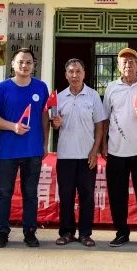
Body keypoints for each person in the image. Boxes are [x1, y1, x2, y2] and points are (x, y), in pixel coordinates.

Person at [0, 48, 49, 248]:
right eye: (20, 62)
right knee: (4, 193)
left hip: (33, 150)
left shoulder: (41, 87)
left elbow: (44, 116)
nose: (24, 65)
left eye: (29, 62)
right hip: (8, 150)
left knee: (30, 193)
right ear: (12, 64)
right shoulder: (2, 88)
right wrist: (12, 126)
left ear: (34, 65)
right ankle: (2, 233)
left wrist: (45, 143)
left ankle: (30, 232)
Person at [101, 47, 137, 249]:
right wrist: (103, 145)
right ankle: (121, 232)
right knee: (117, 195)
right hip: (116, 150)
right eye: (124, 62)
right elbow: (105, 119)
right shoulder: (111, 88)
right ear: (118, 66)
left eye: (132, 61)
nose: (128, 65)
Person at [53, 58, 106, 247]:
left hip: (87, 156)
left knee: (87, 196)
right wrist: (55, 123)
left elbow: (99, 126)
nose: (74, 75)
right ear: (66, 75)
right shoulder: (58, 97)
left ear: (84, 74)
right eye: (71, 72)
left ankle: (85, 234)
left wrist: (95, 151)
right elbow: (54, 123)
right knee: (66, 196)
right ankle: (66, 232)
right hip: (65, 155)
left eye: (78, 71)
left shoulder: (93, 96)